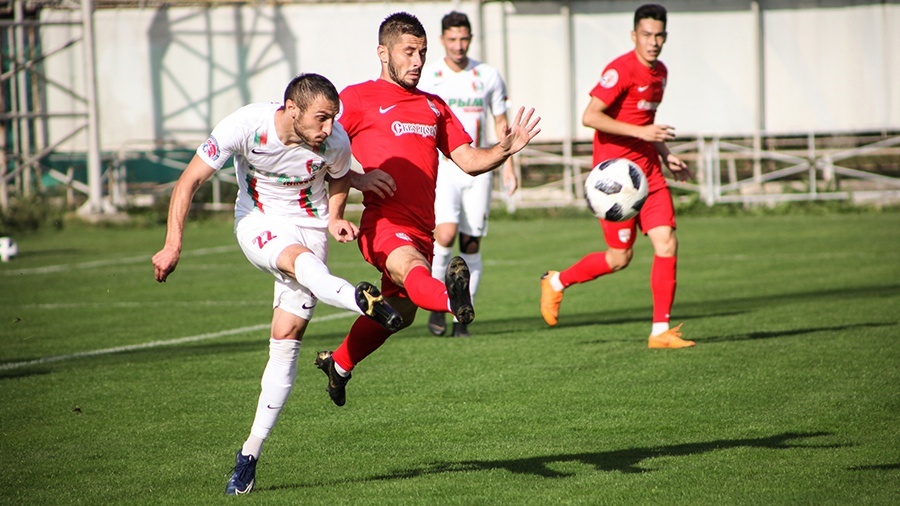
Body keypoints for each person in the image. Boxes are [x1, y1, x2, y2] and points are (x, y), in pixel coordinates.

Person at [150, 73, 403, 495]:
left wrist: (337, 216)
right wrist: (172, 243)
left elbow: (339, 174)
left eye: (333, 119)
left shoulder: (335, 140)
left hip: (310, 225)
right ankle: (360, 301)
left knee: (287, 339)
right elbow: (189, 180)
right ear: (291, 109)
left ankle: (249, 453)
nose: (329, 128)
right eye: (321, 119)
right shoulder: (245, 126)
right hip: (258, 223)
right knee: (297, 262)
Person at [313, 11, 540, 406]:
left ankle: (340, 364)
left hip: (422, 228)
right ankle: (454, 302)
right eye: (408, 52)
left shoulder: (433, 106)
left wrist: (504, 149)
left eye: (422, 52)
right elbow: (315, 151)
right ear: (383, 53)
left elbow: (468, 160)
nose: (418, 62)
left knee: (402, 309)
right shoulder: (356, 99)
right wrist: (357, 180)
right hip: (382, 222)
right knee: (413, 269)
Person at [539, 4, 695, 349]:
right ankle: (557, 282)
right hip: (615, 183)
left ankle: (660, 332)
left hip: (650, 175)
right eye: (646, 35)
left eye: (659, 36)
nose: (653, 42)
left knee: (667, 242)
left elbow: (646, 127)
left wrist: (667, 155)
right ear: (634, 35)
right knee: (619, 258)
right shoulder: (620, 70)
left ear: (665, 37)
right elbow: (590, 116)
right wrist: (643, 136)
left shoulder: (661, 73)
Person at [417, 11, 517, 338]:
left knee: (471, 243)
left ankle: (463, 314)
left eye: (464, 39)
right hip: (445, 168)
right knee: (444, 236)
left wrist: (509, 166)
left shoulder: (487, 75)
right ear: (443, 40)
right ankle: (437, 305)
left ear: (470, 39)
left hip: (479, 167)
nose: (458, 45)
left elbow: (501, 123)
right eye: (452, 39)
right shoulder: (430, 76)